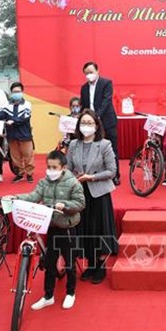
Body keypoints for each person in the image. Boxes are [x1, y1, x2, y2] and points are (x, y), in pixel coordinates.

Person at [6, 150, 85, 310]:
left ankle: (70, 293)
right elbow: (34, 196)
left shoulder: (73, 183)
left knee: (69, 262)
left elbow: (80, 203)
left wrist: (66, 206)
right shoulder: (44, 182)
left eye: (54, 167)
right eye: (49, 167)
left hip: (67, 227)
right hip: (51, 226)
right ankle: (48, 295)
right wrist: (16, 197)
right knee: (49, 263)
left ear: (63, 167)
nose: (51, 170)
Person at [66, 109, 118, 284]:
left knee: (98, 229)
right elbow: (68, 168)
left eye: (89, 123)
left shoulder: (104, 144)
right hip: (80, 193)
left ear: (96, 126)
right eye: (83, 123)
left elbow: (112, 171)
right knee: (84, 228)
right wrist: (74, 178)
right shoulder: (73, 144)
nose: (86, 126)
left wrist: (92, 177)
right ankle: (90, 263)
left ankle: (100, 266)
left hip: (99, 193)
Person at [80, 62, 120, 186]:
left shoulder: (106, 83)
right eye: (86, 73)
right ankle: (95, 174)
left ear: (97, 71)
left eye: (91, 72)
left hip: (107, 121)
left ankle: (115, 175)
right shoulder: (84, 88)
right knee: (93, 149)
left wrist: (96, 116)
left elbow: (106, 101)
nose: (89, 75)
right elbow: (84, 105)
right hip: (91, 125)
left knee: (111, 148)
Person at [0, 82, 34, 183]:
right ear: (11, 93)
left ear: (22, 92)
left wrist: (13, 121)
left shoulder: (27, 104)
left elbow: (25, 117)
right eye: (14, 92)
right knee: (15, 156)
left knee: (28, 154)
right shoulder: (7, 105)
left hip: (24, 134)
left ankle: (29, 173)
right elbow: (0, 115)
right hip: (11, 134)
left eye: (18, 91)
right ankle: (20, 173)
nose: (16, 93)